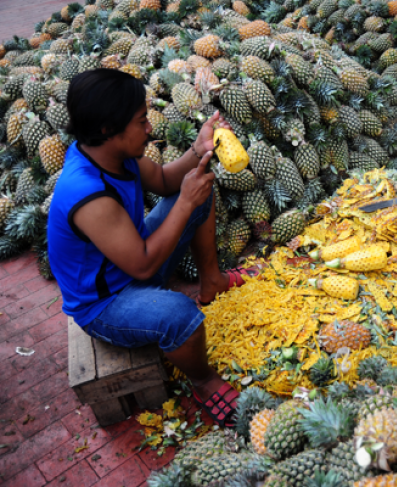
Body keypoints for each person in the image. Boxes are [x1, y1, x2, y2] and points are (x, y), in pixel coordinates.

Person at [48, 69, 253, 427]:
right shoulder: (86, 193)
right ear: (107, 130)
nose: (149, 129)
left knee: (198, 191)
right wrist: (185, 203)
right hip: (105, 304)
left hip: (132, 262)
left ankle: (212, 282)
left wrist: (199, 149)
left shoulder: (112, 154)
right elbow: (143, 268)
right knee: (179, 316)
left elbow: (164, 180)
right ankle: (203, 381)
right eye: (141, 121)